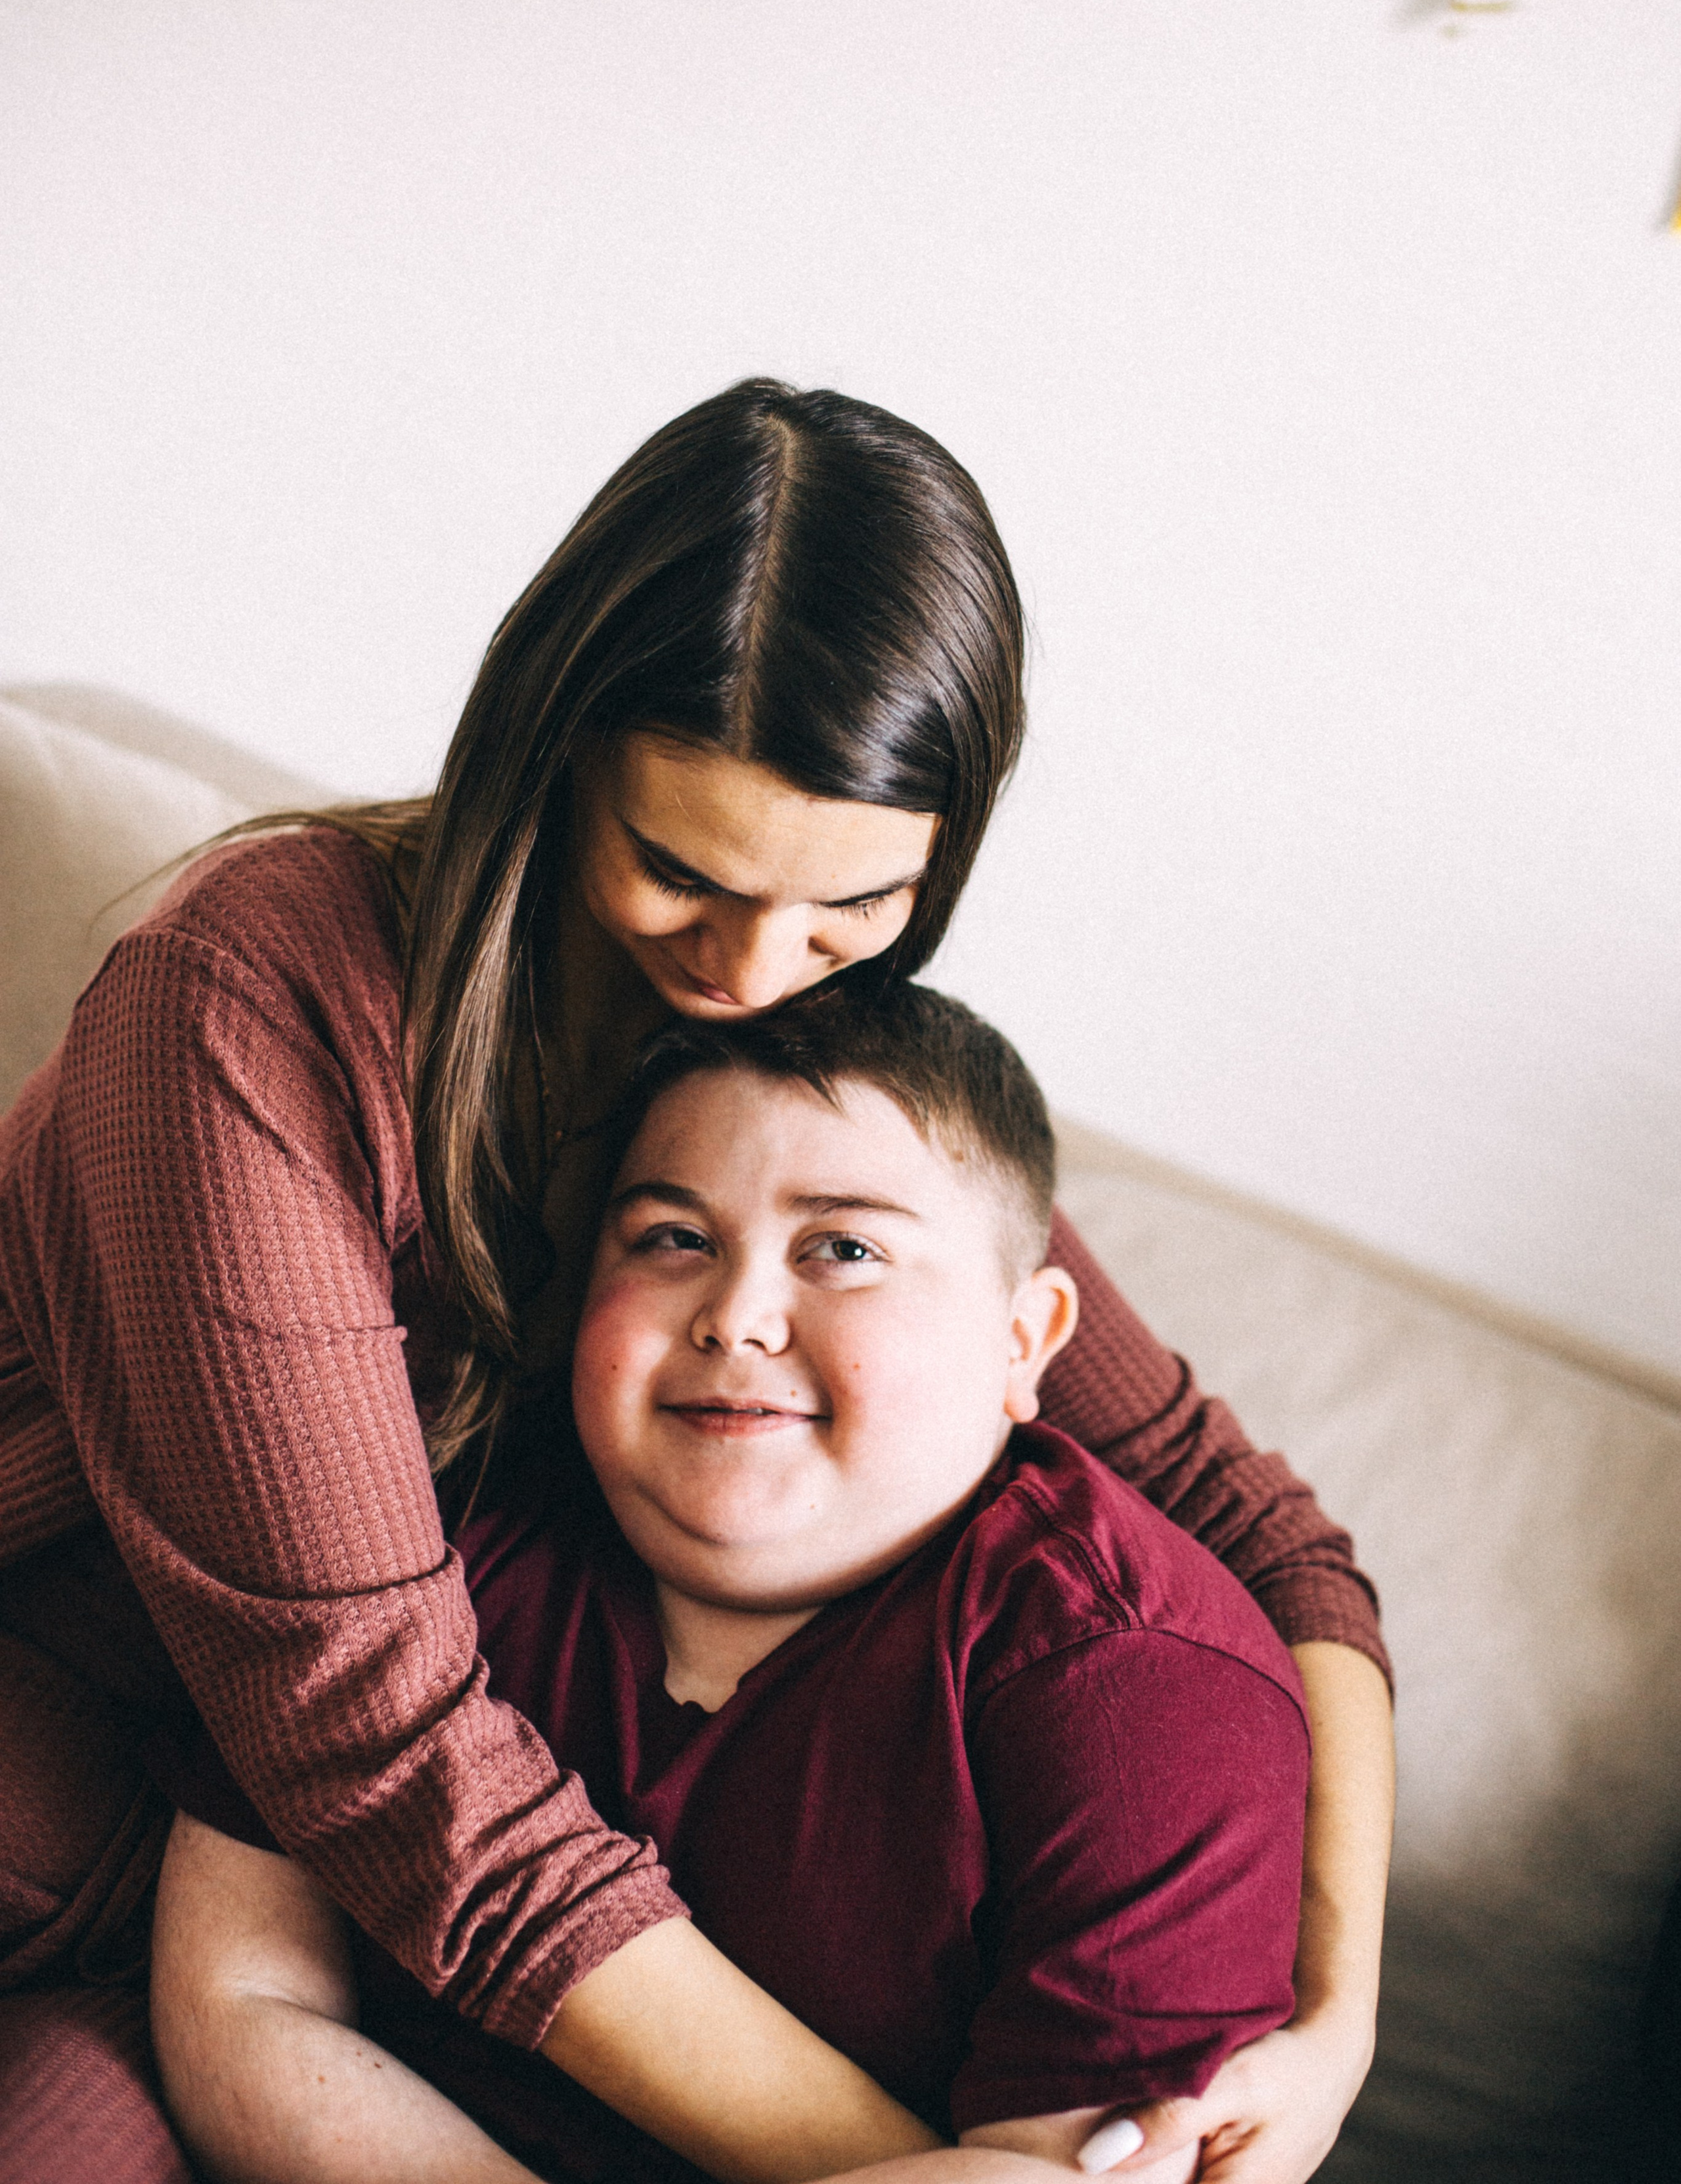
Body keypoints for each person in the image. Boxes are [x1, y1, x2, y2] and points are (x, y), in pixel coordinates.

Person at [0, 379, 1391, 2184]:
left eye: (853, 908)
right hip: (100, 1774)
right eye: (681, 871)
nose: (753, 969)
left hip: (364, 1915)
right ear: (554, 749)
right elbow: (386, 1749)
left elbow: (1255, 1534)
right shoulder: (254, 1002)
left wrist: (1333, 2018)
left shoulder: (806, 1079)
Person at [148, 986, 1312, 2184]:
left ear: (1024, 1339)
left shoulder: (1141, 1688)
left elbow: (1050, 2179)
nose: (736, 1317)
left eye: (845, 1250)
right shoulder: (432, 1511)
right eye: (674, 1239)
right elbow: (239, 1989)